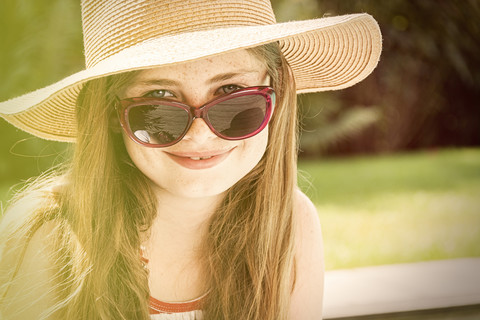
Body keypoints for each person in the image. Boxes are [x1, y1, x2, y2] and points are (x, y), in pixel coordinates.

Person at [0, 1, 381, 319]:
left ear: (276, 92)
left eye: (232, 92)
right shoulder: (49, 236)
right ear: (111, 115)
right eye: (160, 97)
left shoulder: (292, 224)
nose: (200, 135)